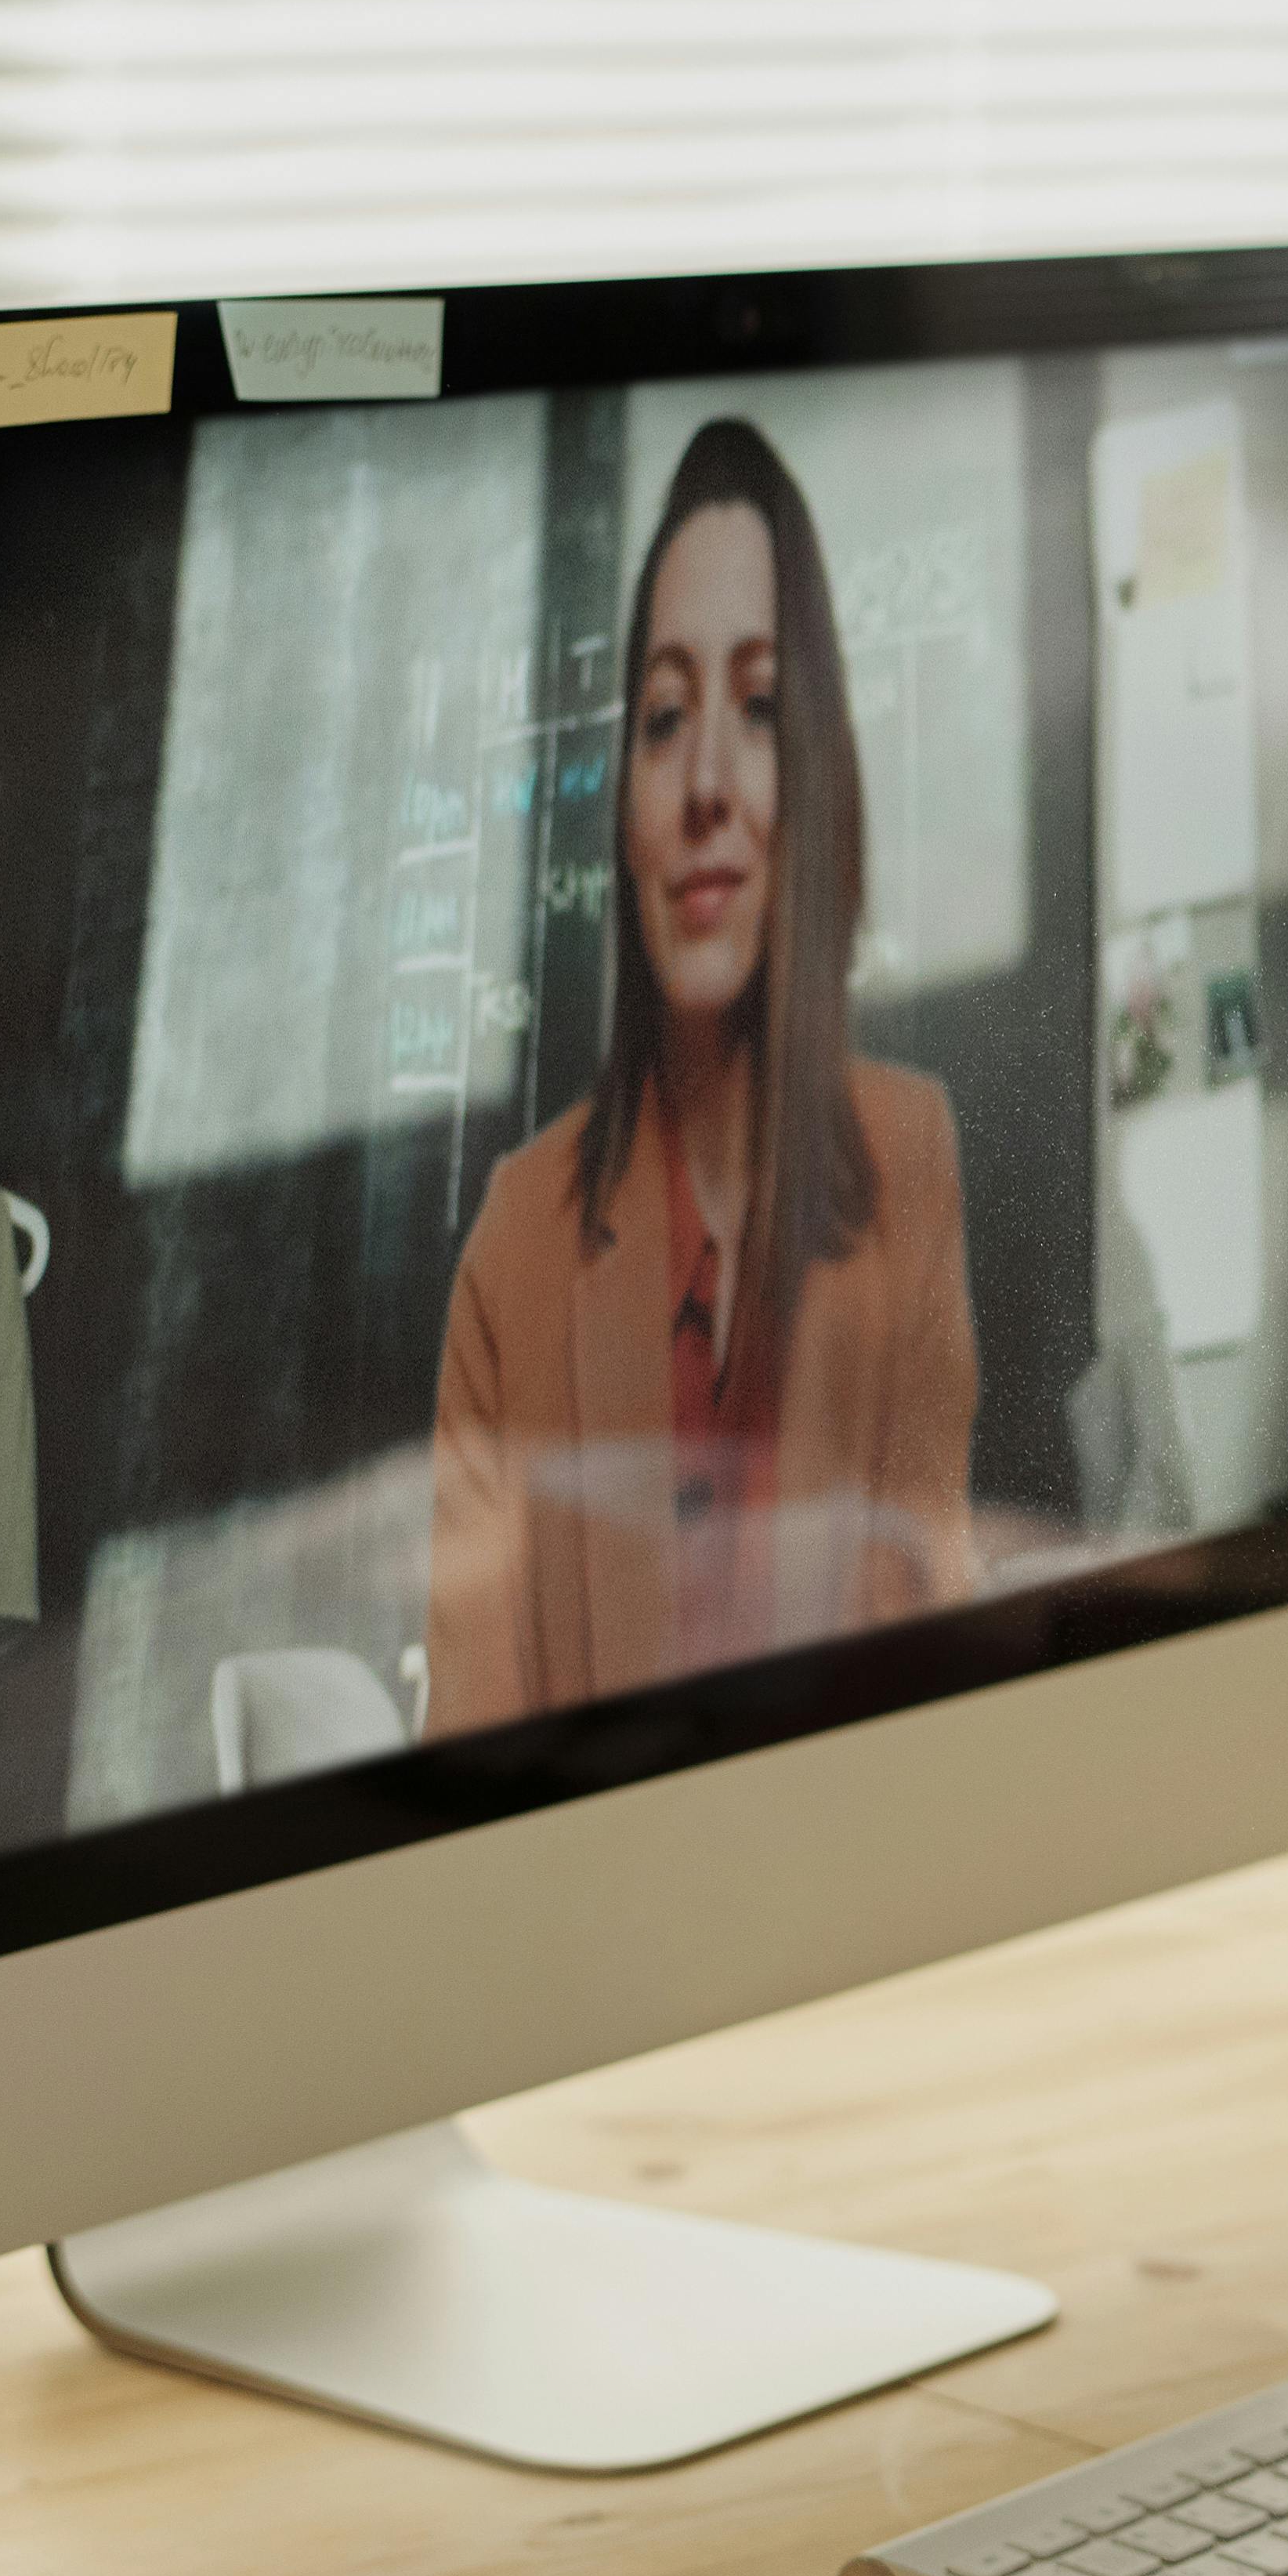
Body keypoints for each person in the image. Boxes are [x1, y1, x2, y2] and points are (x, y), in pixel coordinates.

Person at [428, 418, 977, 1728]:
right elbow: (467, 1762)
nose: (708, 786)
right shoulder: (519, 1238)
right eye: (666, 718)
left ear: (819, 778)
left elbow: (926, 1682)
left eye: (761, 708)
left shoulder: (910, 1158)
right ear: (622, 805)